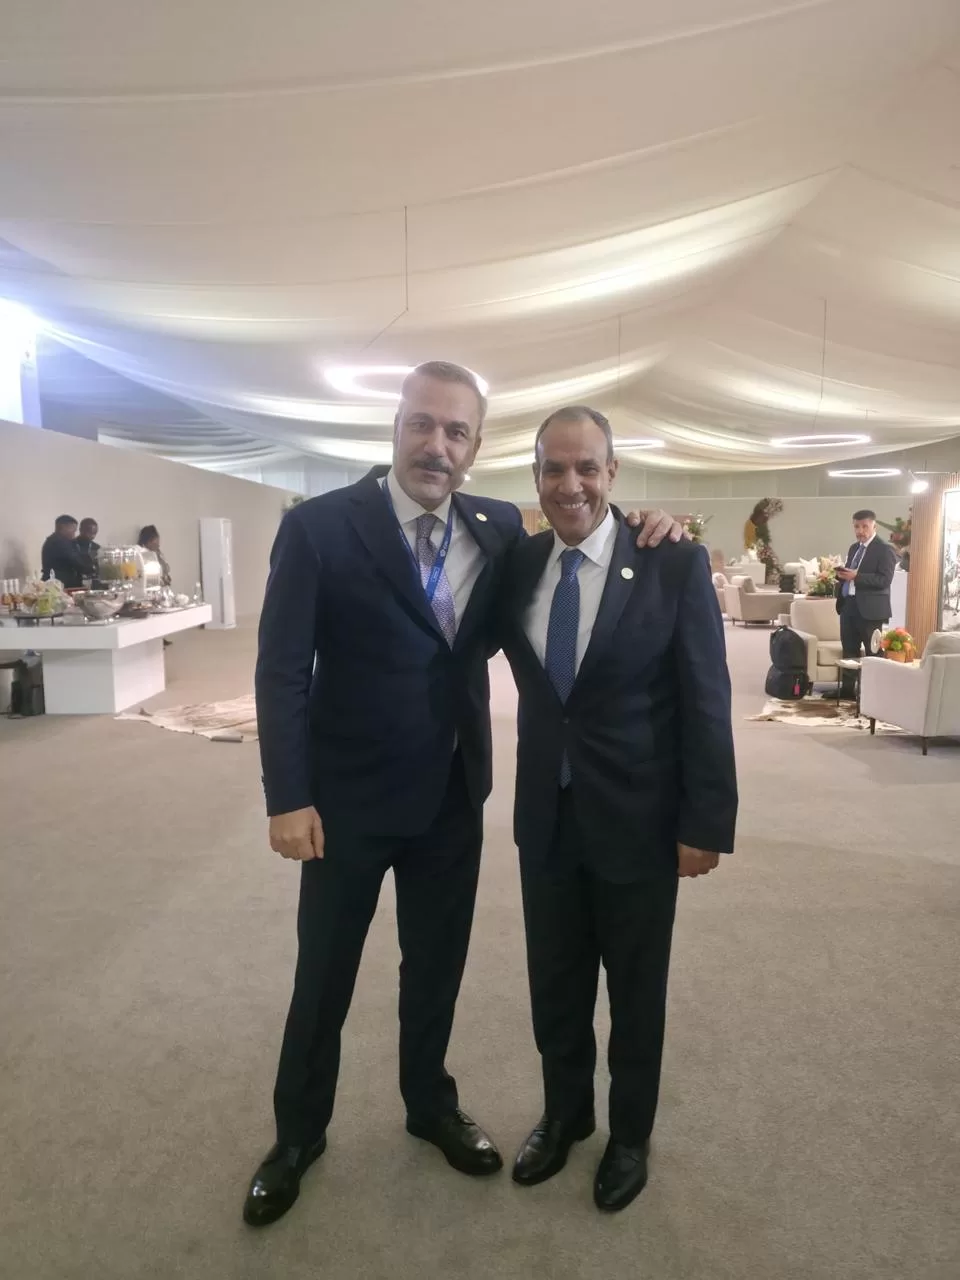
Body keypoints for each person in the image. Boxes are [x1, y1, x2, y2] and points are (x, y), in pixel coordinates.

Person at [245, 361, 684, 1228]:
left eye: (456, 432)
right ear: (396, 427)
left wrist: (645, 524)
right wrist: (287, 796)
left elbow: (584, 537)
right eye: (422, 424)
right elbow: (281, 671)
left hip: (452, 794)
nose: (436, 446)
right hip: (345, 805)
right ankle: (297, 1136)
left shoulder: (497, 527)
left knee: (436, 968)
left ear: (476, 448)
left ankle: (429, 1105)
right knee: (324, 974)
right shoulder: (320, 528)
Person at [499, 406, 738, 1212]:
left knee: (636, 993)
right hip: (547, 817)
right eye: (553, 468)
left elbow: (707, 700)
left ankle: (630, 1135)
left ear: (613, 473)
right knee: (555, 984)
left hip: (640, 819)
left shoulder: (671, 562)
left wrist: (705, 823)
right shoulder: (517, 564)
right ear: (535, 476)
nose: (570, 485)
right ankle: (566, 1115)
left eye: (586, 468)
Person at [835, 509, 897, 698]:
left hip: (871, 610)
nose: (860, 531)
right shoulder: (854, 548)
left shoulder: (885, 549)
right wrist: (842, 576)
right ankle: (847, 691)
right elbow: (851, 575)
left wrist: (857, 576)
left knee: (873, 653)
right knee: (849, 650)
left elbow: (884, 580)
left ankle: (872, 694)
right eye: (856, 526)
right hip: (848, 606)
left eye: (865, 526)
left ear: (874, 526)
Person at [40, 515, 88, 589]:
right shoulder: (58, 543)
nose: (74, 534)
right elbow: (76, 561)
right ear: (63, 527)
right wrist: (91, 568)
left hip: (58, 585)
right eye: (73, 530)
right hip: (58, 587)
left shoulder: (55, 540)